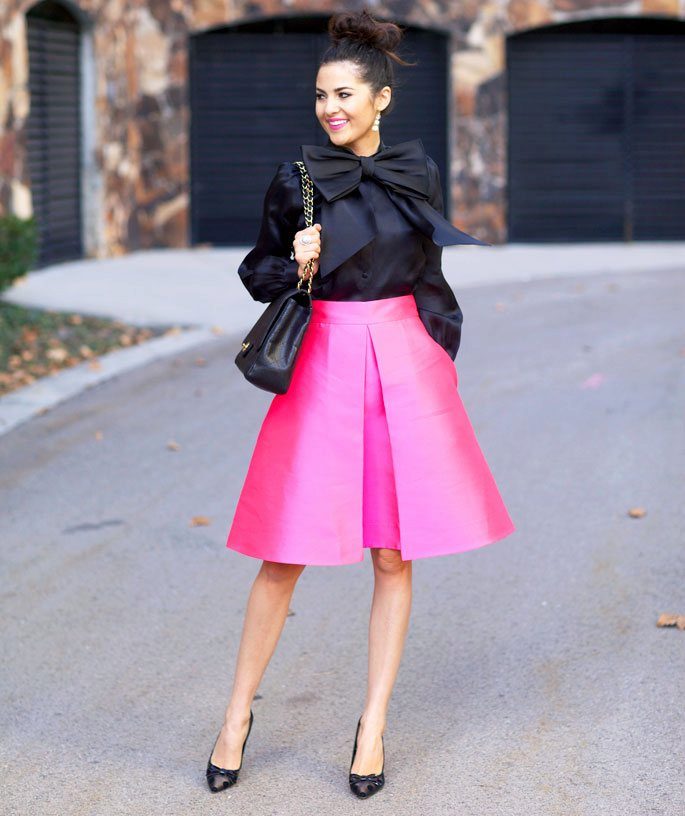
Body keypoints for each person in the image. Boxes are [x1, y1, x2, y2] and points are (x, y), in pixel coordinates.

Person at [206, 8, 516, 800]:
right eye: (320, 95)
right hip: (324, 364)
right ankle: (236, 715)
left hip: (402, 365)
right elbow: (256, 272)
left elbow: (429, 274)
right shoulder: (298, 179)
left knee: (391, 554)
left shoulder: (418, 172)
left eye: (343, 94)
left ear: (381, 99)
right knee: (285, 552)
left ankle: (372, 724)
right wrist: (295, 263)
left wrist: (436, 351)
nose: (329, 108)